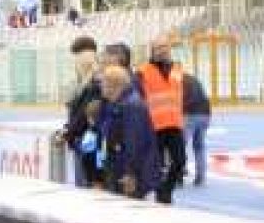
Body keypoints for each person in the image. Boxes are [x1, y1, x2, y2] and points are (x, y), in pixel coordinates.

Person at [97, 65, 161, 202]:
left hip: (131, 173)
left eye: (102, 83)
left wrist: (131, 174)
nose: (100, 86)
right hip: (118, 167)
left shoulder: (131, 106)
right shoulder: (117, 104)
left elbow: (135, 143)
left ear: (113, 85)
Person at [137, 40, 187, 205]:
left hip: (174, 124)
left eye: (165, 47)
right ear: (152, 51)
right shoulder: (143, 72)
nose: (162, 50)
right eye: (158, 48)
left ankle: (166, 189)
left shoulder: (178, 69)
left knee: (180, 161)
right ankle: (160, 192)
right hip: (154, 125)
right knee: (155, 164)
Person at [60, 36, 103, 188]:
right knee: (83, 183)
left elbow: (84, 113)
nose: (75, 64)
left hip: (88, 140)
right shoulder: (80, 83)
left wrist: (68, 132)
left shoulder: (95, 83)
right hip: (80, 138)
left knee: (88, 184)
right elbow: (75, 111)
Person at [181, 68, 211, 187]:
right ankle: (200, 177)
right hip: (205, 114)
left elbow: (186, 100)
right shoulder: (194, 79)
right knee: (199, 147)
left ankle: (178, 175)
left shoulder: (178, 81)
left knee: (180, 146)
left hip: (190, 115)